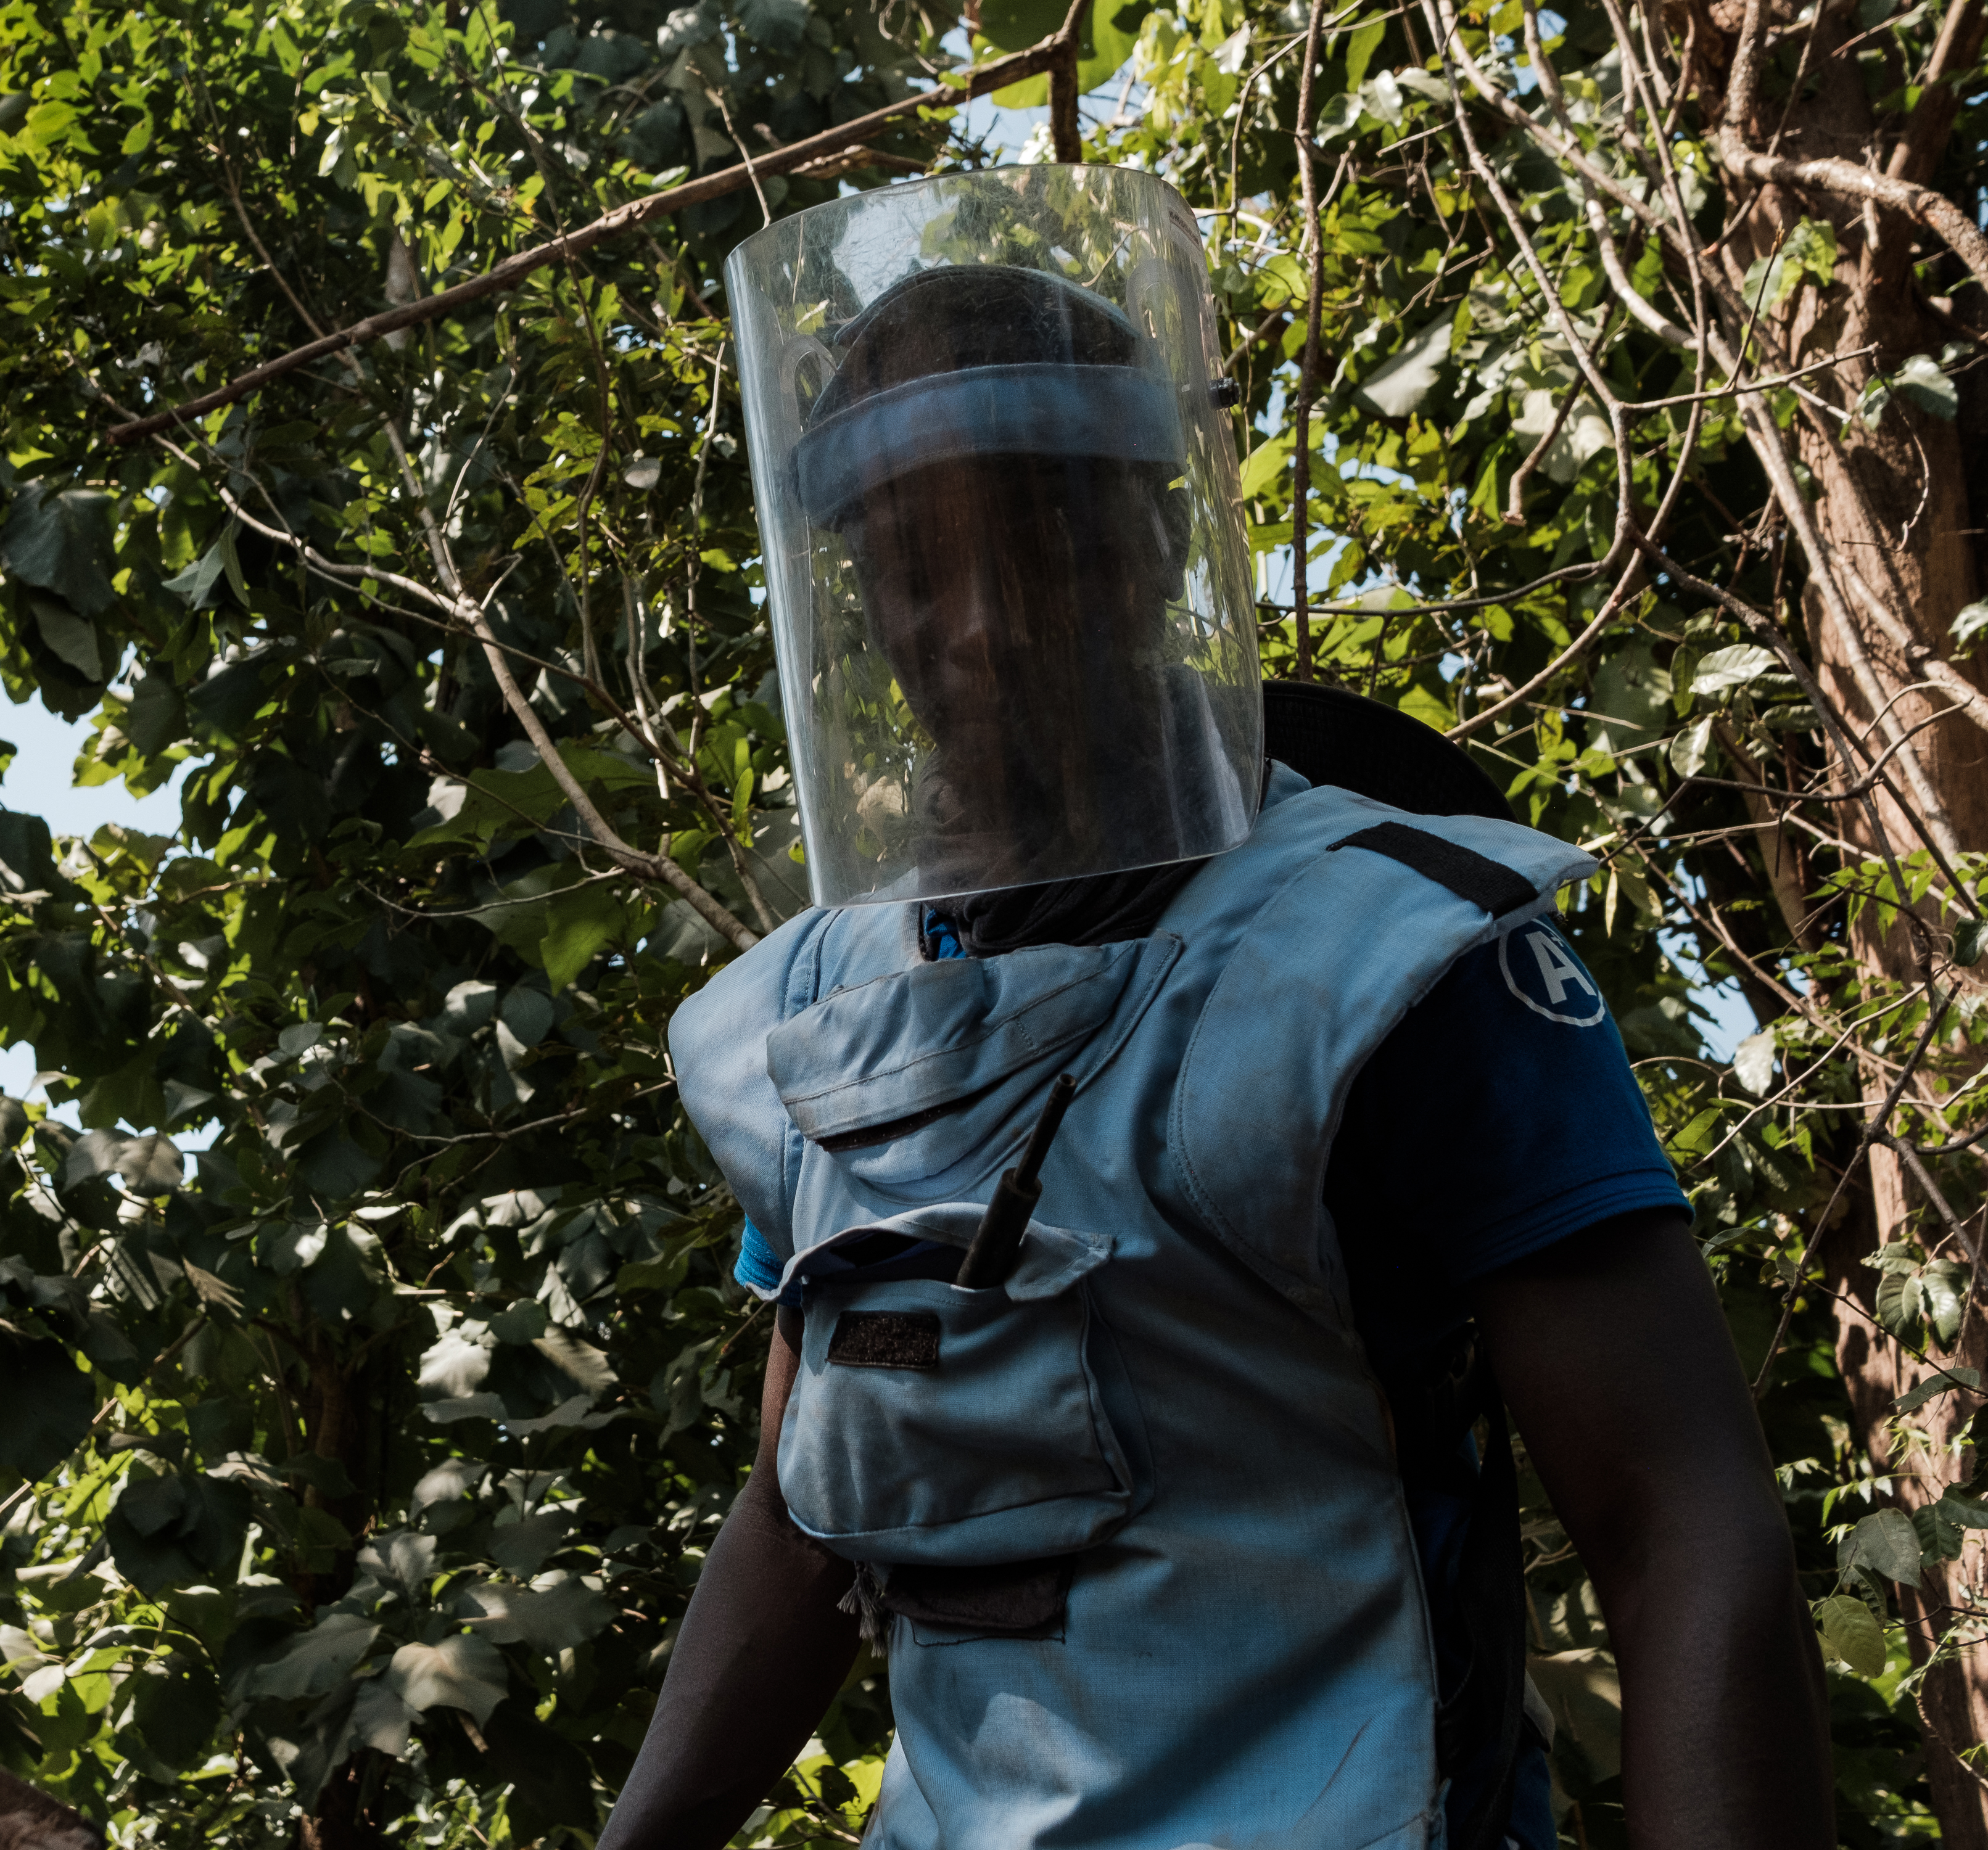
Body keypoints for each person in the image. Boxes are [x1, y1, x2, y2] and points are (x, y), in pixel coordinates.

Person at [596, 168, 1829, 1850]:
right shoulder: (809, 1030)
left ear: (1154, 539)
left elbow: (1675, 1514)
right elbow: (802, 1515)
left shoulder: (1392, 959)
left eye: (1031, 535)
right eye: (905, 562)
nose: (968, 625)